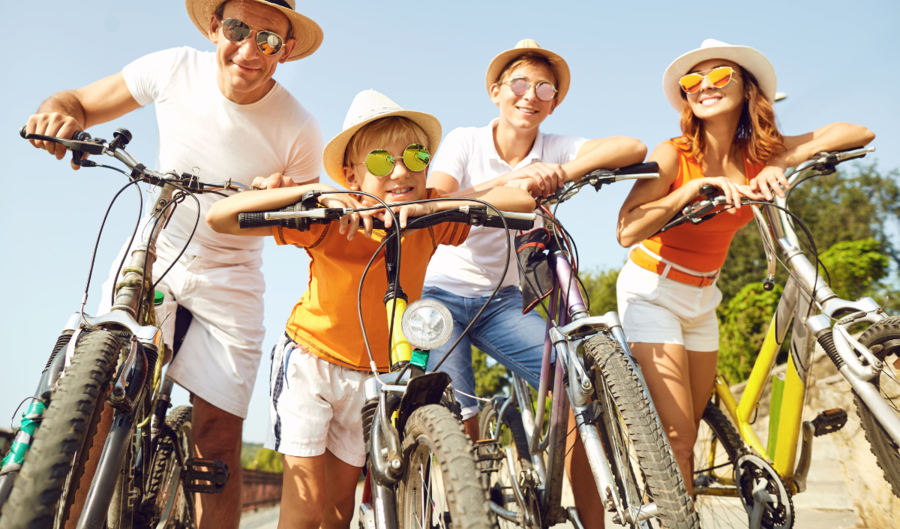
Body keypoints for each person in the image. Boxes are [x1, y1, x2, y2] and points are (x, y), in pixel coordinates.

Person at [24, 0, 325, 528]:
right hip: (153, 247)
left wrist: (286, 201)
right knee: (93, 400)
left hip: (232, 274)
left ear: (284, 50)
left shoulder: (300, 129)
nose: (248, 51)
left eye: (266, 39)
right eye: (238, 30)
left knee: (217, 436)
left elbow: (302, 230)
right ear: (215, 27)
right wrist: (58, 113)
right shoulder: (171, 68)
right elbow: (80, 101)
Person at [207, 89, 535, 529]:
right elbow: (222, 217)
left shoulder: (430, 217)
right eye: (382, 162)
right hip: (312, 364)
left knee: (339, 511)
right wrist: (318, 193)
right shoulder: (330, 220)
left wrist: (437, 205)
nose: (401, 172)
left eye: (416, 158)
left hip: (371, 380)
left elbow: (522, 202)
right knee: (305, 509)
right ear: (352, 174)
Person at [615, 38, 875, 493]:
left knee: (691, 432)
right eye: (693, 80)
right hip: (652, 290)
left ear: (747, 88)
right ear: (685, 96)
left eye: (719, 76)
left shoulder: (758, 154)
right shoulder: (674, 153)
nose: (705, 86)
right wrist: (689, 192)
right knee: (676, 438)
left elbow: (857, 132)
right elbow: (626, 229)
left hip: (703, 297)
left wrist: (779, 163)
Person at [422, 39, 647, 529]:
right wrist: (515, 186)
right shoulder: (466, 140)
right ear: (496, 91)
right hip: (442, 292)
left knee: (575, 387)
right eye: (520, 84)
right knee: (457, 422)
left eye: (545, 87)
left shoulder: (554, 147)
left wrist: (560, 173)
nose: (531, 95)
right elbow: (437, 199)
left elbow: (632, 148)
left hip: (505, 301)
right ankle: (465, 511)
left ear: (555, 101)